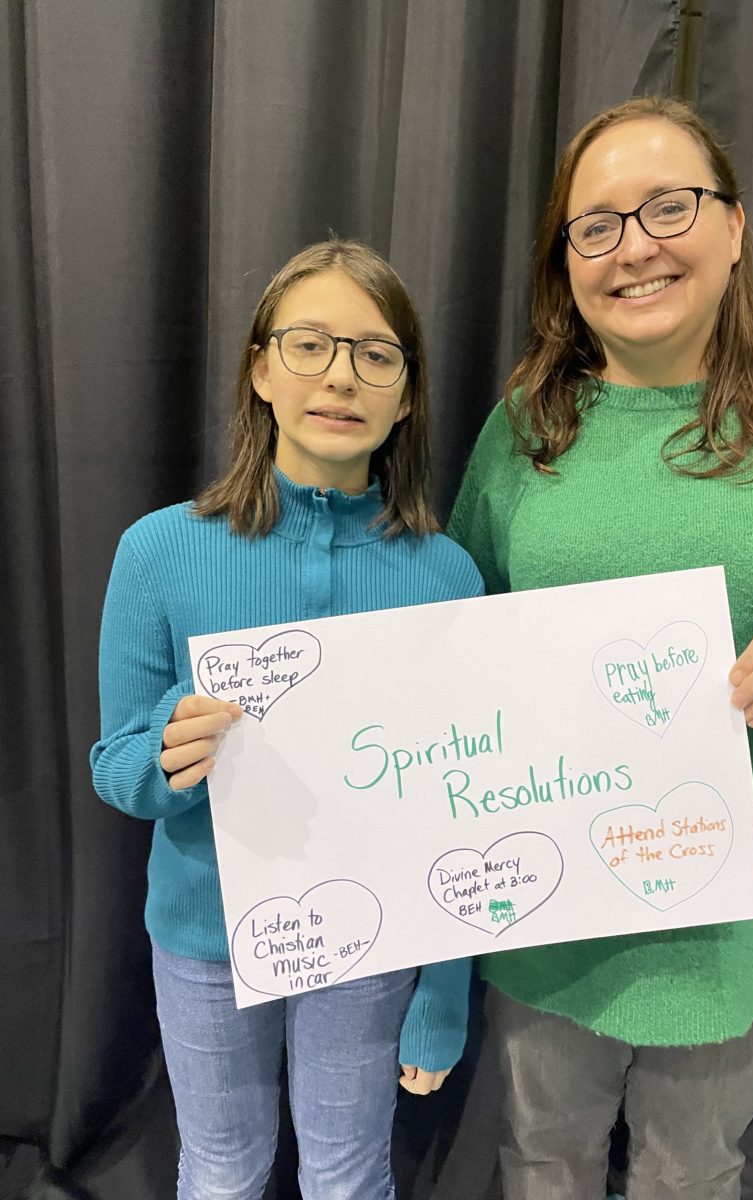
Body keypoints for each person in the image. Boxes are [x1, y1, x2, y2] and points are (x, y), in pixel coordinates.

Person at [448, 95, 753, 1200]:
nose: (635, 246)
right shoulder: (522, 430)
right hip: (549, 919)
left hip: (752, 930)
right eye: (596, 225)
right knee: (538, 1159)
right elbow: (454, 654)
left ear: (735, 226)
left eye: (670, 206)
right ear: (565, 260)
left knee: (693, 1172)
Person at [90, 240, 483, 1200]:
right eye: (309, 345)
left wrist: (443, 994)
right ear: (260, 370)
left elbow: (463, 807)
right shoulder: (159, 552)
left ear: (407, 395)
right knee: (222, 1170)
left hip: (372, 941)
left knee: (347, 1175)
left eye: (376, 354)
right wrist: (168, 753)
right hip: (205, 936)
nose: (340, 377)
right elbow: (115, 767)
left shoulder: (446, 577)